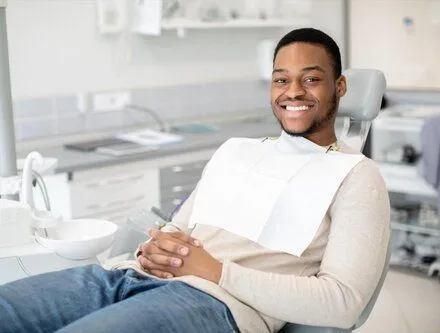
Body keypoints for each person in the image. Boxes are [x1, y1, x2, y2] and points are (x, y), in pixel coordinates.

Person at [0, 28, 390, 333]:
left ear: (339, 88)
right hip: (125, 276)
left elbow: (343, 302)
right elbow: (178, 228)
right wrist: (152, 249)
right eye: (280, 80)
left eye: (311, 80)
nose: (292, 92)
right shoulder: (237, 150)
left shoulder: (356, 175)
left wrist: (216, 271)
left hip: (213, 305)